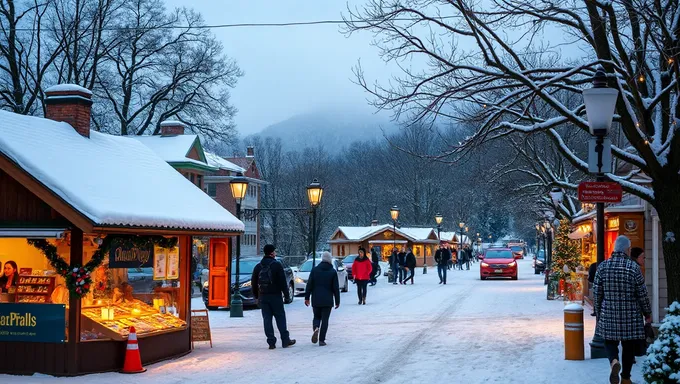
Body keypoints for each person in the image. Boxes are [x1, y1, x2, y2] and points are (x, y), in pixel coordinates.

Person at [593, 236, 652, 384]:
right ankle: (626, 377)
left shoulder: (603, 267)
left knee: (609, 341)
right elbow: (642, 293)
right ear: (627, 250)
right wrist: (647, 313)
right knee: (628, 346)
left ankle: (613, 361)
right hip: (630, 315)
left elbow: (597, 292)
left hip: (609, 313)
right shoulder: (633, 268)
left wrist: (599, 312)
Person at [251, 244, 296, 349]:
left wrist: (257, 296)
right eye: (274, 251)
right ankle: (285, 340)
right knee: (280, 318)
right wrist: (286, 295)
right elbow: (283, 282)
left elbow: (254, 282)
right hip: (276, 296)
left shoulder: (258, 266)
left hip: (263, 297)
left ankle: (271, 342)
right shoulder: (277, 265)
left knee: (267, 320)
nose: (275, 253)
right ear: (271, 253)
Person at [304, 251, 340, 346]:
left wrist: (307, 297)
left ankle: (316, 327)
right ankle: (322, 340)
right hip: (328, 300)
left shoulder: (315, 270)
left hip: (316, 298)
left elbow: (309, 285)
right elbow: (335, 288)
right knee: (325, 320)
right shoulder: (332, 272)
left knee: (316, 317)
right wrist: (337, 301)